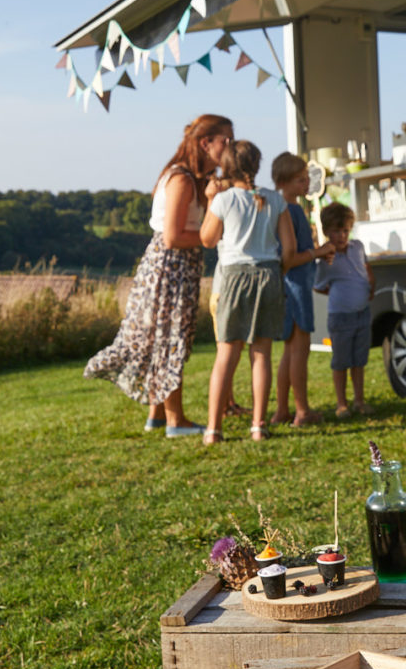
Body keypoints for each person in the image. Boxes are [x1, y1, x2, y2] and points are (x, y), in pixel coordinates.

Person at [85, 113, 232, 437]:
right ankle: (176, 421)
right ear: (206, 143)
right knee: (170, 340)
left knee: (165, 338)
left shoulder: (195, 180)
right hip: (170, 267)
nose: (230, 146)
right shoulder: (180, 179)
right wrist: (212, 238)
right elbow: (173, 237)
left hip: (181, 267)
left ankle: (157, 414)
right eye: (226, 140)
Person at [200, 140, 295, 444]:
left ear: (227, 168)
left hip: (234, 277)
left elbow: (207, 239)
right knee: (262, 354)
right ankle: (258, 426)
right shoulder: (276, 201)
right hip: (268, 274)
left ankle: (213, 429)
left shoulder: (224, 200)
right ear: (257, 164)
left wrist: (210, 199)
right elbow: (289, 249)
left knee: (227, 354)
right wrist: (278, 273)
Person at [269, 152, 335, 427]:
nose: (306, 184)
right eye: (300, 180)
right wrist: (319, 251)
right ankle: (302, 411)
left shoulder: (274, 208)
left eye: (306, 178)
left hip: (283, 289)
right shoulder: (292, 210)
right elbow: (291, 257)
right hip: (296, 287)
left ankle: (282, 410)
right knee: (300, 350)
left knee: (288, 350)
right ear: (284, 181)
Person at [314, 201, 375, 417]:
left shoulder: (357, 247)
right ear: (327, 232)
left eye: (345, 231)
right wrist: (338, 294)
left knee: (359, 360)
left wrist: (370, 284)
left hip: (362, 313)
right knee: (341, 361)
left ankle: (359, 400)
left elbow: (365, 266)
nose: (341, 236)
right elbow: (318, 285)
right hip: (340, 316)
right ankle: (342, 404)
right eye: (336, 232)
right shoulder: (326, 260)